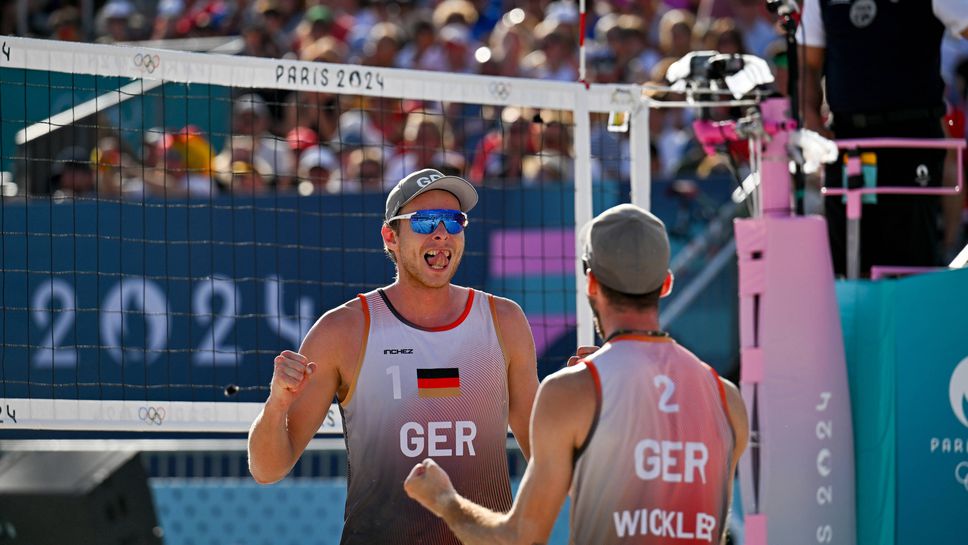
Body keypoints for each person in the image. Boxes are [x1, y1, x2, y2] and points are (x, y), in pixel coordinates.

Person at [404, 203, 749, 545]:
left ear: (591, 283)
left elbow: (518, 538)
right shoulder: (727, 399)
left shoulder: (572, 392)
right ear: (666, 284)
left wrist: (444, 501)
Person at [248, 168, 539, 545]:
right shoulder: (343, 331)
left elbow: (549, 460)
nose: (441, 233)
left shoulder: (505, 321)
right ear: (391, 237)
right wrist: (276, 406)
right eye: (423, 222)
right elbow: (268, 470)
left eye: (453, 221)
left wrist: (590, 399)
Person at [799, 0, 968, 275]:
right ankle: (854, 318)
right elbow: (807, 64)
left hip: (911, 140)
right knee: (845, 262)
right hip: (846, 142)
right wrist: (811, 118)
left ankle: (910, 316)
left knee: (911, 260)